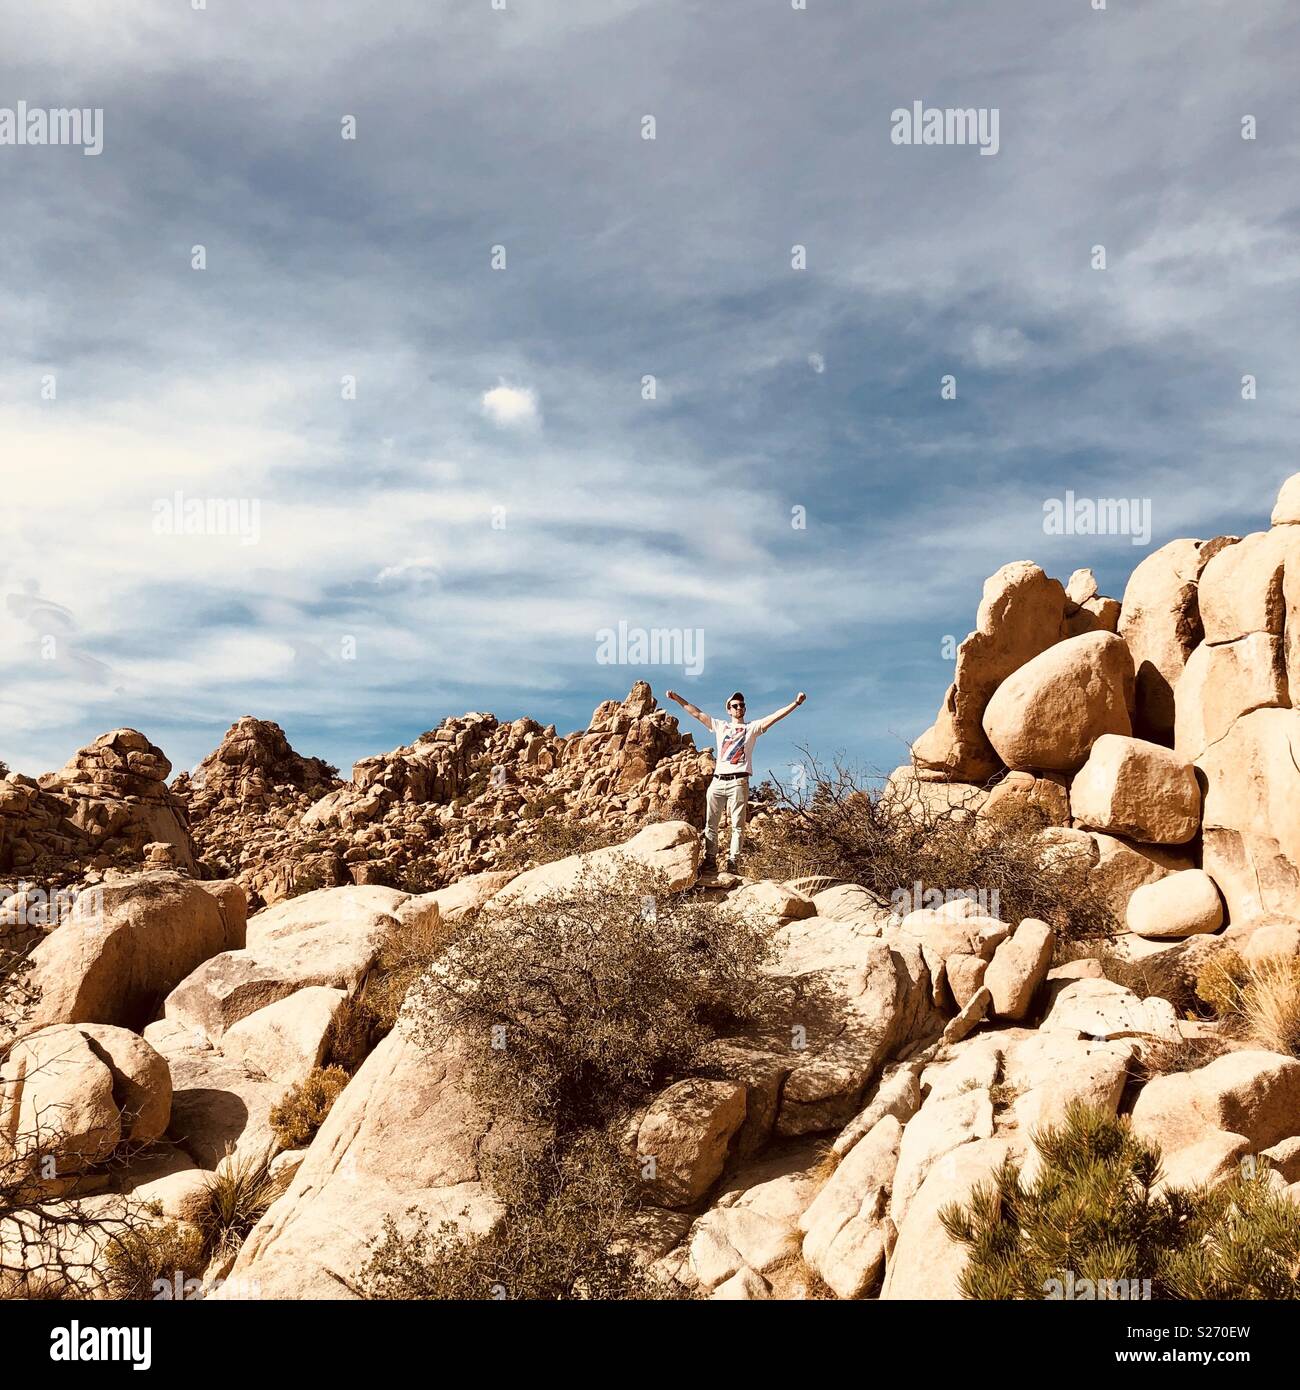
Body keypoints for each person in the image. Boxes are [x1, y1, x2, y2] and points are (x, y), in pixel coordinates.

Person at [665, 688, 807, 873]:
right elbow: (697, 713)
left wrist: (795, 703)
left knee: (737, 826)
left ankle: (733, 862)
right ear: (729, 710)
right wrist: (677, 698)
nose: (739, 707)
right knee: (711, 824)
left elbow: (775, 717)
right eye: (735, 705)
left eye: (742, 705)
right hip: (717, 781)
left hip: (739, 781)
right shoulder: (720, 726)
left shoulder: (752, 728)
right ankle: (710, 860)